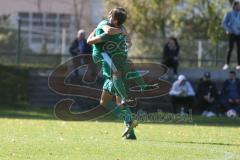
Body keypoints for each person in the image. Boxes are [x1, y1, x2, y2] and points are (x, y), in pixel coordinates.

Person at [87, 7, 138, 140]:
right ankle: (129, 126)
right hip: (114, 64)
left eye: (111, 15)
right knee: (104, 102)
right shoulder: (112, 28)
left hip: (109, 62)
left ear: (115, 20)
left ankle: (129, 123)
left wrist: (92, 36)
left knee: (119, 98)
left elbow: (90, 40)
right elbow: (129, 41)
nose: (109, 16)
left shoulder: (110, 31)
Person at [222, 0, 240, 70]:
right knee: (230, 48)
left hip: (239, 34)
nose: (239, 6)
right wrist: (229, 30)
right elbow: (224, 23)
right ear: (235, 5)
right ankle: (227, 64)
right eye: (238, 5)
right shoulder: (229, 13)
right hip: (231, 33)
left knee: (239, 49)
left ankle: (239, 64)